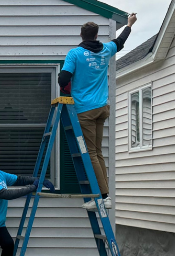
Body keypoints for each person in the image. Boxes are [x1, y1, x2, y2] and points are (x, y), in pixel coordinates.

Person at [59, 13, 137, 210]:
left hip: (85, 109)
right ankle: (105, 195)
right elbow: (120, 41)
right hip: (102, 108)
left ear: (81, 35)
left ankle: (103, 197)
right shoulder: (106, 50)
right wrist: (129, 24)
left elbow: (63, 79)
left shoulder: (75, 54)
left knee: (91, 153)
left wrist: (68, 85)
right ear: (96, 36)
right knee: (98, 152)